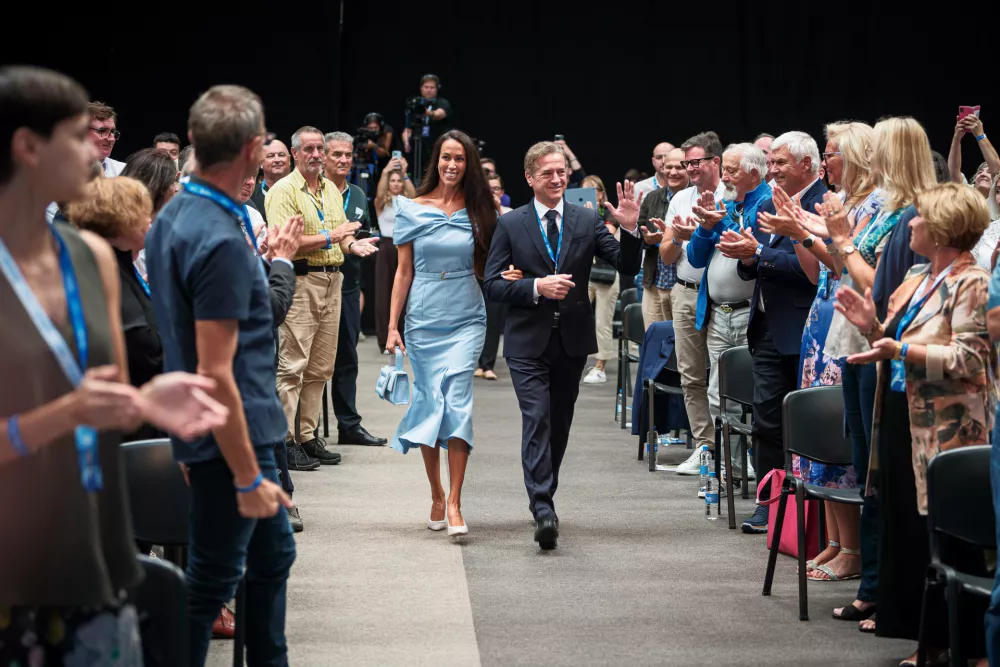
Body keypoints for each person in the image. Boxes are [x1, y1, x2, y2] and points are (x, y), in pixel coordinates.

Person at [0, 65, 227, 665]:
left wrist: (145, 402)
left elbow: (98, 393)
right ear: (27, 147)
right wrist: (61, 416)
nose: (100, 153)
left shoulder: (89, 257)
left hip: (95, 556)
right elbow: (67, 407)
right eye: (80, 136)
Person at [145, 84, 298, 666]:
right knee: (211, 582)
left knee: (269, 558)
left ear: (192, 141)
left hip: (214, 432)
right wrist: (243, 475)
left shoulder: (174, 216)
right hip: (232, 437)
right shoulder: (216, 237)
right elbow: (217, 373)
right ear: (256, 149)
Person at [834, 182, 994, 667]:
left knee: (951, 535)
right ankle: (931, 643)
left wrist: (898, 349)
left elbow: (971, 359)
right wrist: (871, 327)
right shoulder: (919, 275)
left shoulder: (972, 283)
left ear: (944, 228)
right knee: (911, 527)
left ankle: (963, 648)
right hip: (903, 415)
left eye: (920, 218)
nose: (911, 224)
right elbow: (893, 341)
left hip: (949, 429)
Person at [483, 141, 643, 550]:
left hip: (572, 339)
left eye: (561, 173)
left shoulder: (586, 220)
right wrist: (535, 286)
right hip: (526, 340)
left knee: (559, 422)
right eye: (548, 173)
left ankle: (544, 492)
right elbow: (493, 285)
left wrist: (628, 229)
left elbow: (623, 265)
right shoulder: (512, 224)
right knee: (536, 417)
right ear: (530, 178)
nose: (557, 179)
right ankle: (542, 507)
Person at [386, 130, 496, 537]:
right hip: (423, 318)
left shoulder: (481, 210)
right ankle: (435, 492)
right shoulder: (412, 208)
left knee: (458, 402)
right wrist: (392, 327)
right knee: (431, 404)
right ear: (438, 161)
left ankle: (455, 502)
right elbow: (403, 272)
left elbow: (492, 264)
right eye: (447, 157)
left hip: (468, 316)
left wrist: (510, 275)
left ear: (468, 165)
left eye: (461, 159)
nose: (453, 165)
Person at [723, 130, 828, 533]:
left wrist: (760, 254)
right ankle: (769, 505)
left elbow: (814, 273)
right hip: (767, 327)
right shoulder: (772, 201)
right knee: (766, 420)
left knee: (807, 423)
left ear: (807, 163)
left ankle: (809, 512)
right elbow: (762, 258)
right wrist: (748, 259)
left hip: (806, 329)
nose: (773, 169)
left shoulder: (823, 204)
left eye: (780, 162)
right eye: (771, 162)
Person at [265, 126, 377, 466]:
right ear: (295, 154)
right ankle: (284, 441)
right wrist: (332, 237)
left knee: (320, 367)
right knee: (292, 366)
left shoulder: (330, 189)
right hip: (301, 281)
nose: (315, 154)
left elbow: (342, 235)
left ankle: (308, 436)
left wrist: (353, 245)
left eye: (319, 149)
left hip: (334, 281)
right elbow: (285, 242)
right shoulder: (283, 191)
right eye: (309, 149)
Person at [686, 142, 771, 487]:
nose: (724, 177)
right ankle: (733, 473)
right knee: (720, 395)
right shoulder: (724, 203)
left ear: (753, 173)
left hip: (754, 317)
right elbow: (693, 257)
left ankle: (763, 472)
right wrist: (706, 227)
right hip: (718, 316)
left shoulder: (765, 204)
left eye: (732, 170)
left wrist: (720, 223)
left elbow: (750, 246)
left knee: (760, 396)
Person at [67, 176, 165, 443]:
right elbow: (145, 346)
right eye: (142, 213)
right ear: (121, 218)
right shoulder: (106, 267)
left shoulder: (122, 263)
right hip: (127, 415)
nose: (149, 220)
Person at [322, 131, 387, 446]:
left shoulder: (360, 195)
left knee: (348, 356)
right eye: (337, 155)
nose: (344, 160)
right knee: (310, 361)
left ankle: (348, 425)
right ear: (323, 157)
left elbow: (368, 231)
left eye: (347, 155)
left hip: (348, 287)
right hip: (316, 282)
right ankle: (299, 434)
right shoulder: (312, 193)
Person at [581, 174, 621, 385]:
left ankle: (600, 365)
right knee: (577, 317)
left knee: (602, 322)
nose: (591, 194)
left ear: (601, 192)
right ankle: (576, 358)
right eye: (585, 189)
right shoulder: (573, 214)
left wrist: (591, 213)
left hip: (606, 275)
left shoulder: (609, 212)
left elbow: (604, 235)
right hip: (583, 273)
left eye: (594, 189)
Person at [374, 158, 416, 351]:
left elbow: (414, 195)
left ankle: (403, 338)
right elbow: (381, 190)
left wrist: (405, 173)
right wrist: (385, 172)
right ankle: (384, 340)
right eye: (393, 180)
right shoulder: (382, 202)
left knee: (404, 294)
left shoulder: (408, 203)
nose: (396, 184)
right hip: (386, 247)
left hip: (405, 246)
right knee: (384, 294)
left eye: (399, 181)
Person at [476, 172, 514, 380]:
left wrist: (497, 208)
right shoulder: (473, 213)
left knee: (493, 321)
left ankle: (487, 363)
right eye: (489, 189)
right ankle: (475, 362)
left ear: (502, 192)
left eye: (496, 189)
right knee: (475, 321)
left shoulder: (509, 213)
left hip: (499, 273)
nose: (493, 193)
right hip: (475, 273)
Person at [401, 74, 453, 185]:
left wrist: (427, 113)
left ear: (437, 89)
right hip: (418, 148)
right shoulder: (414, 105)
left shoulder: (442, 102)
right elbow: (407, 129)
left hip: (437, 147)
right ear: (421, 88)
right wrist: (406, 141)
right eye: (426, 87)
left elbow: (440, 114)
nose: (429, 90)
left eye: (432, 87)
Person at [251, 137, 291, 219]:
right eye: (270, 156)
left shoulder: (303, 190)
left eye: (281, 155)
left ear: (289, 160)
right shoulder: (250, 194)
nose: (277, 160)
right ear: (261, 162)